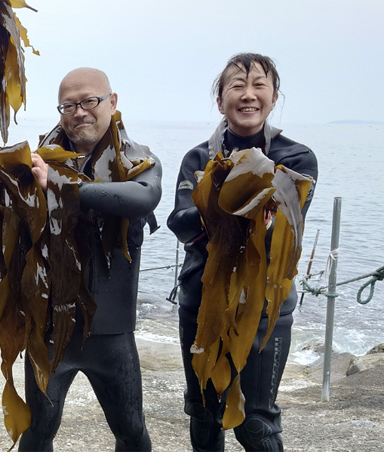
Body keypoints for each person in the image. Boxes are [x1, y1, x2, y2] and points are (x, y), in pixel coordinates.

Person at [167, 53, 318, 451]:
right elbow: (180, 222)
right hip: (201, 302)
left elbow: (280, 233)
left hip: (264, 308)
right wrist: (232, 209)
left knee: (256, 423)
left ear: (274, 97)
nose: (248, 94)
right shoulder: (198, 159)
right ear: (221, 101)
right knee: (204, 414)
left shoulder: (296, 158)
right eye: (237, 85)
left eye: (259, 85)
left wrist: (216, 207)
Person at [16, 67, 162, 451]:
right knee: (38, 431)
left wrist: (62, 187)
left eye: (89, 101)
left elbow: (145, 198)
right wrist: (14, 178)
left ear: (112, 103)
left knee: (131, 430)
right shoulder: (36, 163)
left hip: (112, 334)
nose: (79, 112)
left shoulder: (139, 161)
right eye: (69, 105)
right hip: (50, 333)